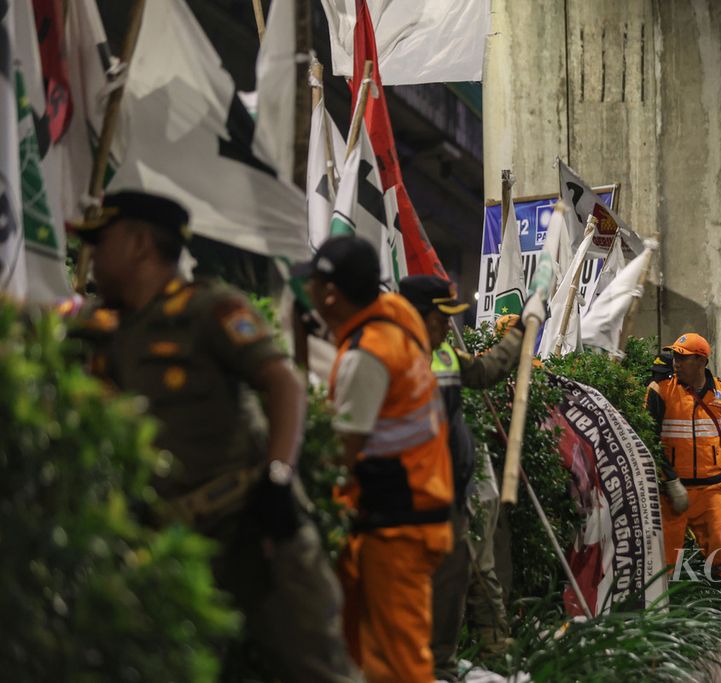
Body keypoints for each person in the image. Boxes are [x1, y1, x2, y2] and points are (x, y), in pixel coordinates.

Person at [69, 191, 354, 682]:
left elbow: (283, 382)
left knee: (314, 666)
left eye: (101, 241)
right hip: (169, 548)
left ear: (139, 244)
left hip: (250, 527)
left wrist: (279, 477)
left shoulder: (209, 309)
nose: (92, 256)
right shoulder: (100, 330)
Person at [292, 235, 453, 683]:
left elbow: (340, 456)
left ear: (331, 294)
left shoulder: (367, 356)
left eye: (315, 288)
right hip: (406, 515)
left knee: (398, 666)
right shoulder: (396, 324)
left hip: (395, 526)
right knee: (366, 655)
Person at [399, 274, 522, 679]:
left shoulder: (446, 355)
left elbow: (487, 370)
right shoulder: (392, 358)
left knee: (461, 585)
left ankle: (446, 667)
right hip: (412, 507)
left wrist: (521, 332)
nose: (448, 325)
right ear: (418, 316)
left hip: (453, 500)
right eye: (441, 317)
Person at [645, 332, 721, 627]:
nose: (676, 362)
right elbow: (649, 438)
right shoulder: (661, 389)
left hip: (710, 490)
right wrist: (670, 479)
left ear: (701, 360)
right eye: (674, 356)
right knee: (663, 561)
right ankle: (658, 622)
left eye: (683, 357)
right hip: (671, 493)